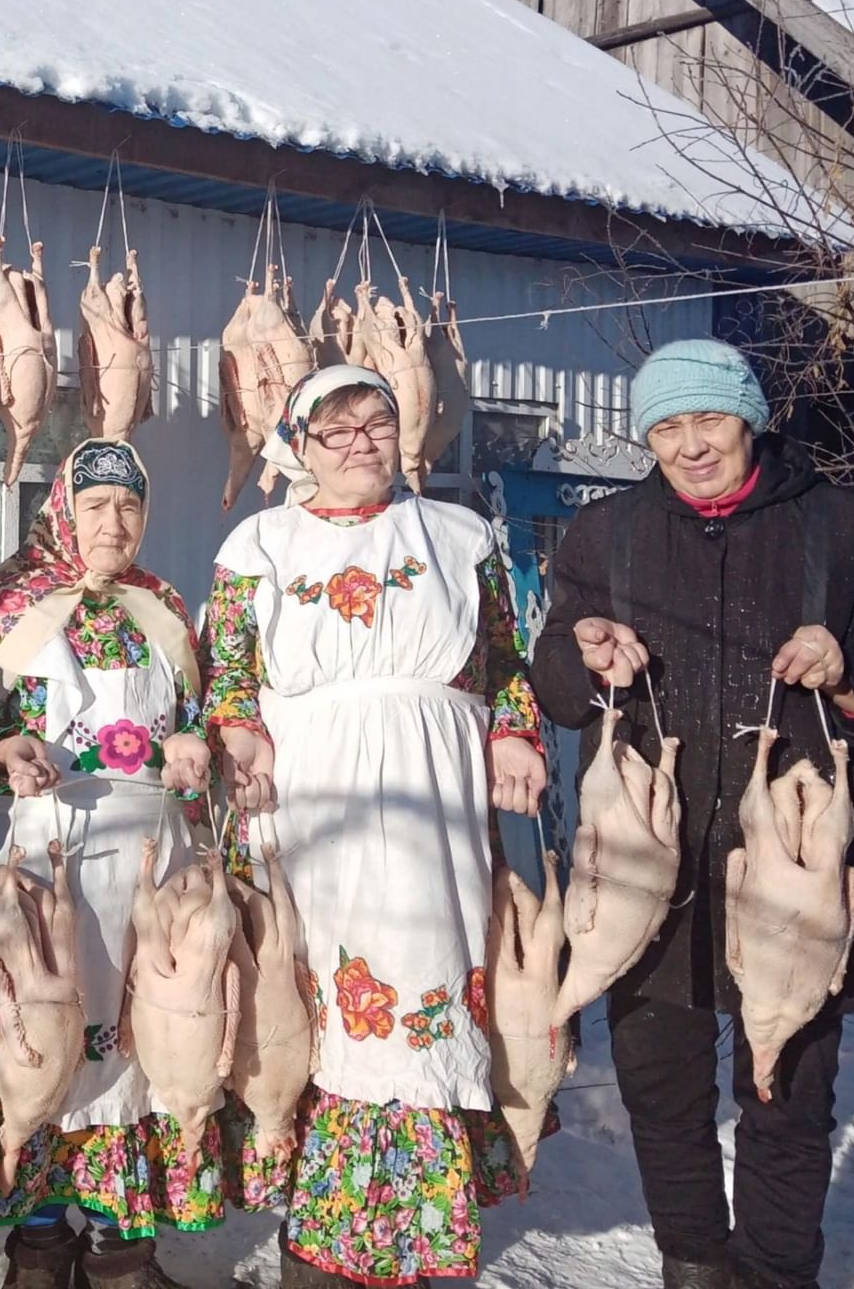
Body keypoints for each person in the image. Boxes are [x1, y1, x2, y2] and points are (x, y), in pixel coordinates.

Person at [532, 338, 854, 1289]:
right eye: (667, 428)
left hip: (793, 874)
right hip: (647, 872)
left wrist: (847, 670)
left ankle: (774, 1274)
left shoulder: (841, 528)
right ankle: (692, 1266)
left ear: (749, 417)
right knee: (662, 1098)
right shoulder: (606, 533)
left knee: (789, 1105)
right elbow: (556, 687)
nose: (690, 446)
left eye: (708, 420)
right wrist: (580, 654)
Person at [200, 365, 547, 1288]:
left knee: (421, 989)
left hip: (433, 794)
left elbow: (506, 662)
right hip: (309, 793)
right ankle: (318, 1252)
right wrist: (238, 731)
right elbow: (227, 674)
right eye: (336, 429)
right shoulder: (258, 544)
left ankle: (416, 1236)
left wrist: (515, 734)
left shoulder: (460, 536)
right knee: (303, 998)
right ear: (299, 444)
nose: (360, 444)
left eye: (378, 425)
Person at [0, 439, 217, 1289]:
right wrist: (7, 750)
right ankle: (38, 1244)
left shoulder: (166, 607)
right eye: (95, 507)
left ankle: (122, 1251)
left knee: (137, 1047)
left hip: (145, 870)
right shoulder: (17, 600)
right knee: (33, 1041)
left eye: (129, 507)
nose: (113, 524)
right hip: (40, 863)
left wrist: (194, 741)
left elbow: (207, 718)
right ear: (63, 511)